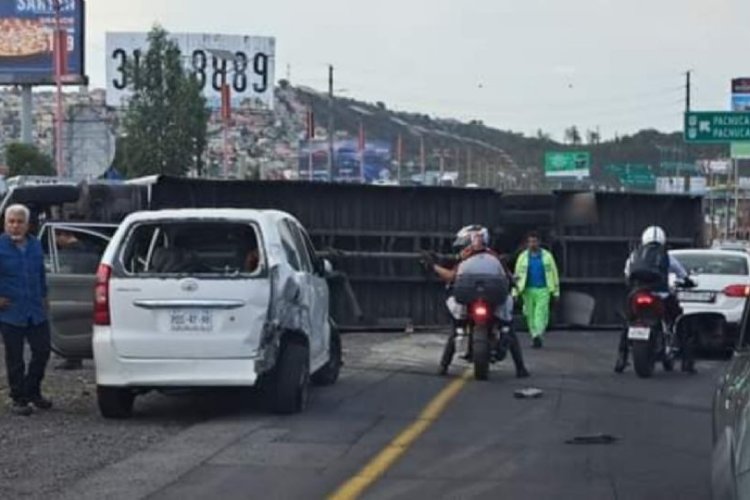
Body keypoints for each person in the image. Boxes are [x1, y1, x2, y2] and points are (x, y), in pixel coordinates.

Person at [424, 225, 529, 378]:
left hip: (468, 299)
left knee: (456, 327)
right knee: (508, 328)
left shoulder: (465, 259)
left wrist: (433, 267)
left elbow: (451, 277)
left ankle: (443, 366)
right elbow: (508, 276)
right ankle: (520, 368)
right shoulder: (494, 257)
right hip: (493, 299)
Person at [615, 225, 696, 373]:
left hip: (637, 294)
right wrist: (688, 282)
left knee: (628, 322)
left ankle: (621, 358)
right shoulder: (666, 256)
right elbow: (682, 274)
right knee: (679, 321)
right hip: (661, 295)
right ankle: (687, 362)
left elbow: (627, 274)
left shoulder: (634, 255)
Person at [0, 204, 53, 416]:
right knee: (15, 357)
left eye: (19, 222)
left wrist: (44, 296)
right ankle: (18, 398)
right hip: (11, 311)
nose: (15, 226)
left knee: (42, 350)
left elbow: (40, 273)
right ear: (5, 224)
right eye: (11, 222)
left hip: (35, 310)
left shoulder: (35, 245)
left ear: (27, 224)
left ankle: (32, 390)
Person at [514, 231, 560, 348]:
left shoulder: (547, 256)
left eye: (534, 241)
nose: (532, 244)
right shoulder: (523, 257)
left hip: (543, 289)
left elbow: (554, 274)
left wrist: (556, 291)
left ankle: (538, 334)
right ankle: (534, 335)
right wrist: (515, 292)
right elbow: (517, 275)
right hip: (527, 289)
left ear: (539, 242)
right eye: (530, 242)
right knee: (529, 314)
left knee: (541, 312)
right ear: (527, 243)